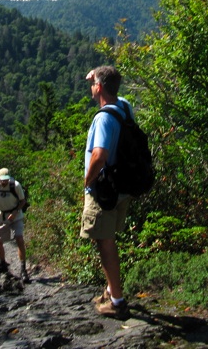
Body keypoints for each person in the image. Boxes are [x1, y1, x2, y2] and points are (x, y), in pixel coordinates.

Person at [81, 66, 134, 319]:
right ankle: (112, 290)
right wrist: (99, 76)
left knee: (105, 244)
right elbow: (114, 90)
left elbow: (99, 156)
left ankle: (117, 301)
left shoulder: (102, 118)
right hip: (122, 187)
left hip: (104, 191)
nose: (91, 87)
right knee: (109, 239)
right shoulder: (124, 108)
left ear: (99, 88)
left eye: (93, 84)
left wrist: (87, 180)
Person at [0, 168, 30, 282]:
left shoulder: (16, 185)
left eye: (6, 180)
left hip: (16, 215)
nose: (4, 182)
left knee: (19, 239)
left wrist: (15, 212)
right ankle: (2, 263)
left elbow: (23, 201)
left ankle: (23, 269)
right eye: (2, 180)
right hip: (1, 216)